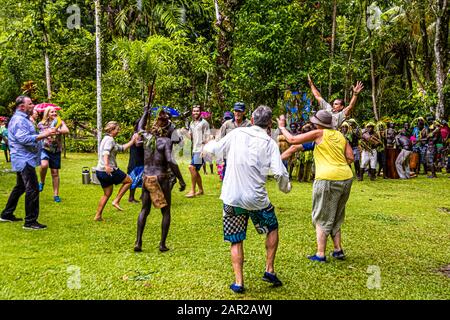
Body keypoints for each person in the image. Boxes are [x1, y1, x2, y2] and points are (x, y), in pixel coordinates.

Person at [203, 105, 291, 293]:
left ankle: (239, 282)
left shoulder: (237, 133)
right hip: (256, 199)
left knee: (236, 239)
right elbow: (279, 173)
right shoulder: (269, 143)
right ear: (269, 124)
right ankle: (269, 269)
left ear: (251, 119)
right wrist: (286, 188)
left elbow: (215, 150)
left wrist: (208, 144)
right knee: (272, 227)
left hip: (231, 197)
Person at [278, 110, 354, 263]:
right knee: (336, 214)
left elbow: (292, 139)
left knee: (320, 215)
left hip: (327, 179)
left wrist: (282, 127)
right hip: (346, 178)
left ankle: (320, 254)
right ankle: (338, 250)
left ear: (318, 123)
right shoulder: (340, 135)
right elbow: (351, 157)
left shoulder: (319, 133)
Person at [134, 108, 186, 252]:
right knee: (166, 211)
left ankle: (138, 242)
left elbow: (140, 127)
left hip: (146, 177)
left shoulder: (146, 138)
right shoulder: (166, 141)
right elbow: (170, 161)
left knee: (144, 210)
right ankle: (162, 244)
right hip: (161, 178)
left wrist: (145, 112)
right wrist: (181, 180)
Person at [0, 95, 56, 229]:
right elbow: (24, 139)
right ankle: (30, 222)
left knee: (21, 186)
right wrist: (45, 134)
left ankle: (6, 214)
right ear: (22, 106)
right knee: (33, 188)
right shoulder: (19, 120)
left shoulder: (22, 119)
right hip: (24, 159)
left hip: (23, 158)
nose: (33, 106)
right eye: (30, 104)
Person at [94, 121, 137, 221]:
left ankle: (98, 216)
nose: (118, 131)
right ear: (112, 130)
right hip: (108, 170)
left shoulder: (107, 139)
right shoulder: (109, 140)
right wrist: (107, 165)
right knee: (129, 181)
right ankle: (116, 201)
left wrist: (133, 140)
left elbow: (121, 148)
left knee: (107, 194)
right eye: (117, 129)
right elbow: (106, 152)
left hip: (100, 171)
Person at [37, 107, 69, 202]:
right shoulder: (41, 124)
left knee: (55, 173)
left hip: (56, 151)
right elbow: (44, 133)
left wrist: (58, 130)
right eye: (52, 112)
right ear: (47, 113)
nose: (54, 113)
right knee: (44, 165)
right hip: (44, 148)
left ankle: (56, 195)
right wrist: (52, 129)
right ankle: (42, 182)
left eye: (55, 112)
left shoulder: (60, 122)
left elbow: (66, 131)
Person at [185, 105, 210, 198]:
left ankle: (192, 190)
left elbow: (208, 137)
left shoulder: (204, 123)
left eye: (197, 111)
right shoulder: (191, 123)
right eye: (194, 111)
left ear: (200, 112)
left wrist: (204, 150)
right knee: (195, 170)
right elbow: (190, 137)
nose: (196, 112)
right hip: (195, 150)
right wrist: (185, 130)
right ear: (192, 112)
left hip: (201, 150)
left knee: (191, 167)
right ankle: (201, 190)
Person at [127, 120, 145, 203]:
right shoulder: (135, 134)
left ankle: (143, 195)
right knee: (134, 179)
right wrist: (147, 142)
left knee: (144, 178)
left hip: (142, 159)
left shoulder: (142, 134)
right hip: (135, 160)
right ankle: (131, 198)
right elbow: (137, 144)